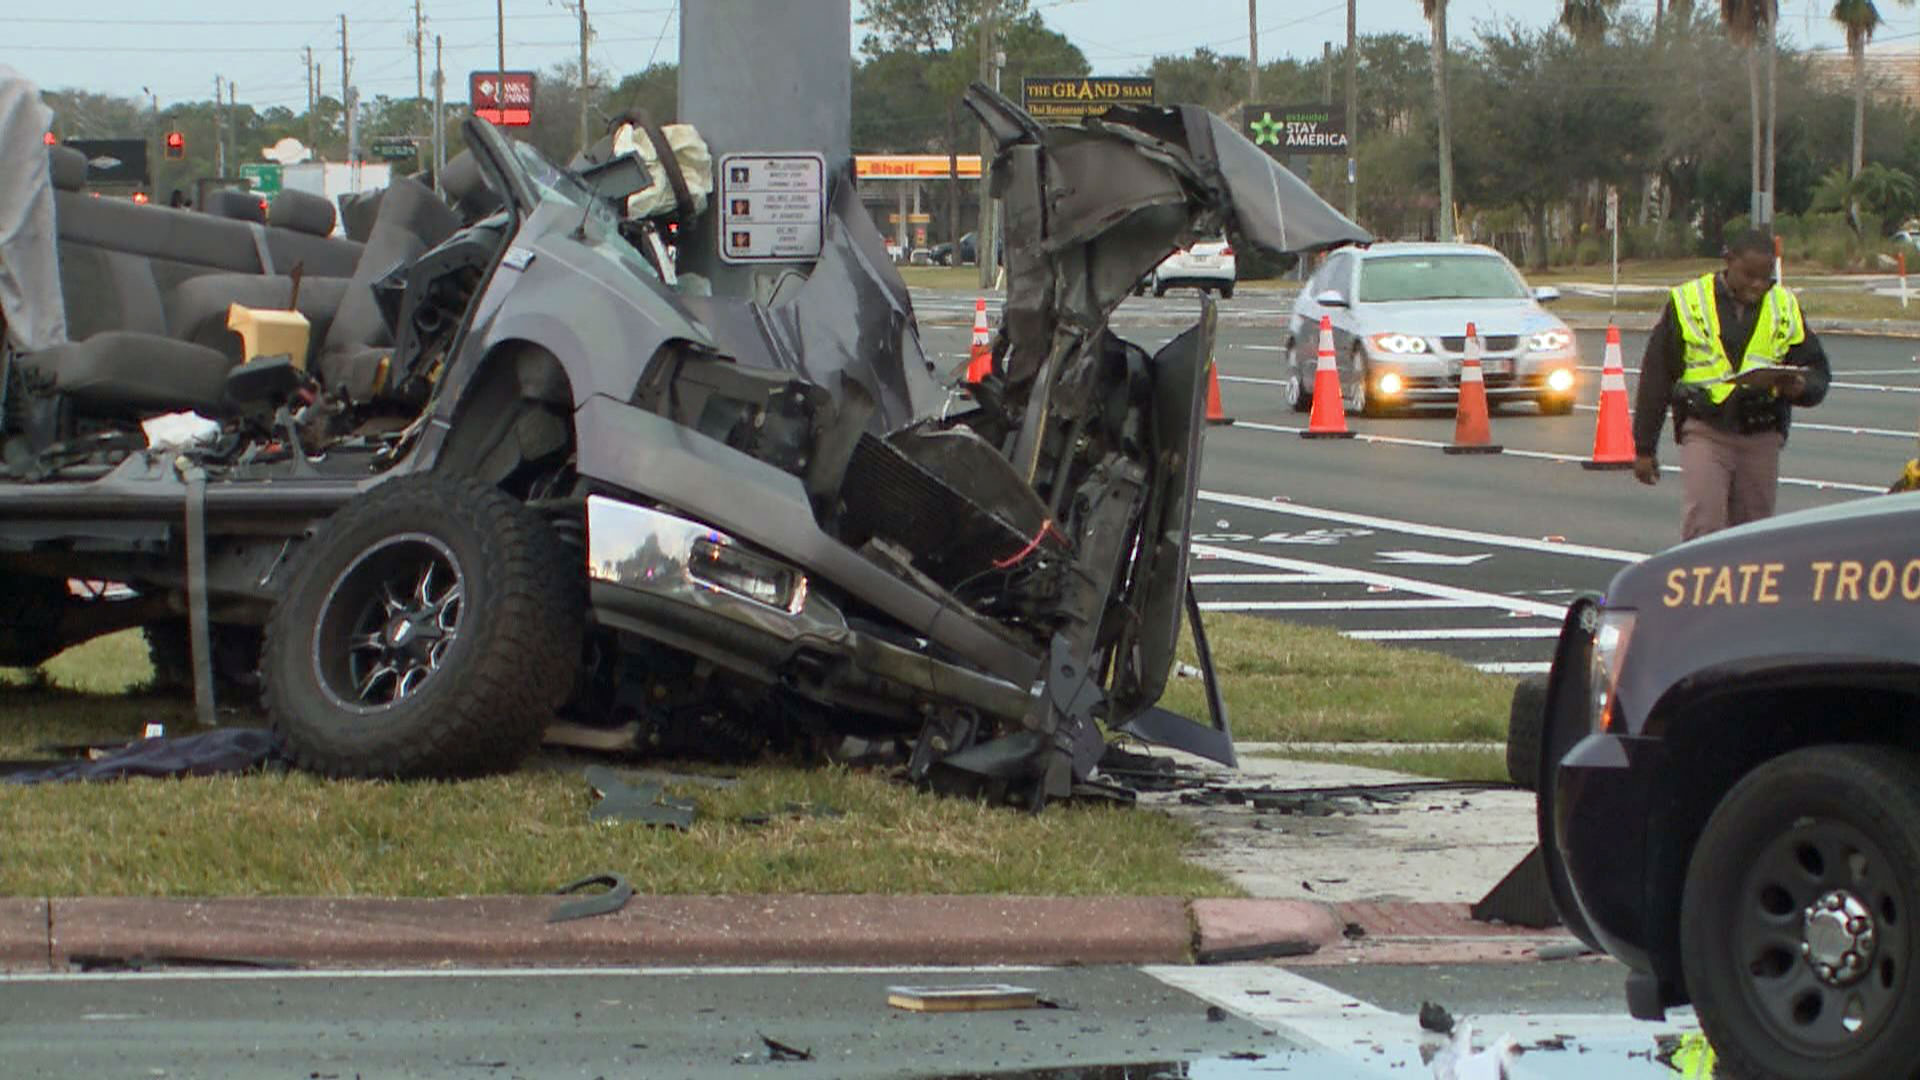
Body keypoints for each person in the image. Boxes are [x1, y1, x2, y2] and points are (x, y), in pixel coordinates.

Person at [1631, 228, 1831, 540]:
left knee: (1753, 533)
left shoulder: (1784, 306)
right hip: (1706, 428)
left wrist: (1802, 387)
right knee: (1705, 523)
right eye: (1749, 275)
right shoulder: (1688, 302)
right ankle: (1702, 586)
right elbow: (1657, 375)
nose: (1757, 285)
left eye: (1765, 277)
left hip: (1762, 432)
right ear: (1728, 261)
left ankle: (1744, 590)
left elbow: (1817, 368)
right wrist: (1644, 447)